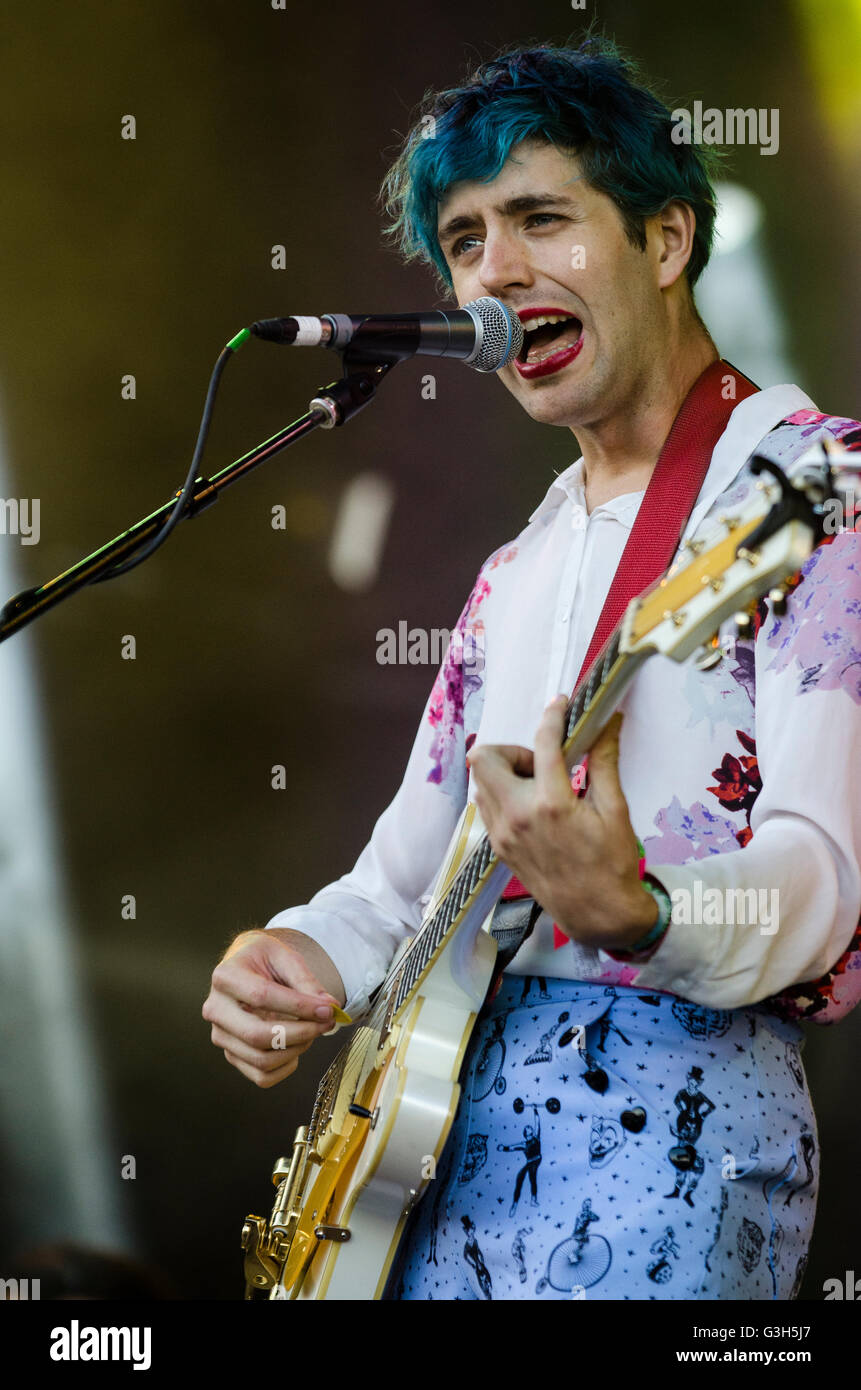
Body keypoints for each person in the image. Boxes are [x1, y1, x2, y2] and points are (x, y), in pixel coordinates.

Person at [202, 40, 861, 1299]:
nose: (494, 272)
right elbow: (410, 881)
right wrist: (302, 957)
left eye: (541, 220)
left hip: (668, 1141)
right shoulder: (518, 569)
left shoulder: (811, 489)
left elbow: (823, 876)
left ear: (666, 243)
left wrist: (647, 912)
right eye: (463, 242)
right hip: (437, 1148)